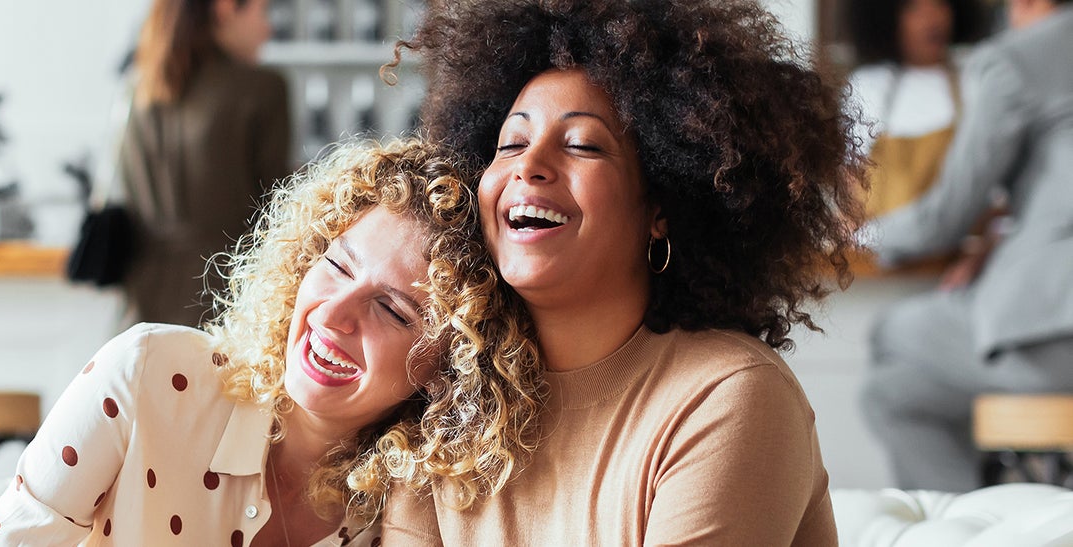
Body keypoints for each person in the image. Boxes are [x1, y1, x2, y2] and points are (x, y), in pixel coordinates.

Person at [383, 0, 864, 544]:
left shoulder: (728, 397)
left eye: (583, 145)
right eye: (511, 143)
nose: (529, 164)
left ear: (660, 209)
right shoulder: (448, 399)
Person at [0, 139, 532, 546]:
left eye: (390, 308)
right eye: (335, 265)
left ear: (447, 366)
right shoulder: (147, 374)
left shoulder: (405, 519)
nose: (332, 314)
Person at [860, 0, 1073, 493]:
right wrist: (1001, 236)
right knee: (892, 395)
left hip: (1056, 327)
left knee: (890, 331)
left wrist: (861, 233)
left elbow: (945, 216)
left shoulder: (1016, 57)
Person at [119, 0, 294, 327]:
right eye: (262, 11)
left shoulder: (140, 89)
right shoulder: (262, 89)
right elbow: (278, 213)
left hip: (139, 306)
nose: (268, 29)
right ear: (226, 8)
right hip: (225, 301)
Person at [847, 0, 985, 218]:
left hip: (962, 243)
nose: (931, 18)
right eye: (913, 7)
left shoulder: (974, 77)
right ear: (888, 17)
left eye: (939, 3)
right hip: (881, 246)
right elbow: (852, 180)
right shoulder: (868, 85)